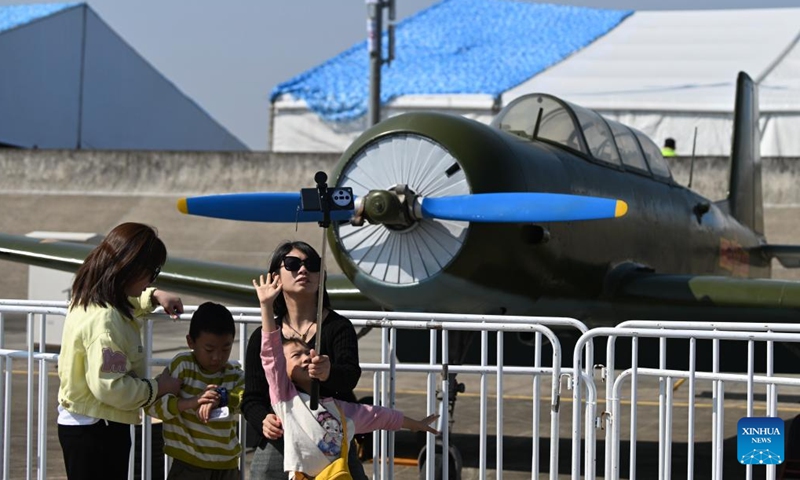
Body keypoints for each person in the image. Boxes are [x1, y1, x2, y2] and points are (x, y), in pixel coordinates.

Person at [253, 272, 439, 478]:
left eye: (308, 352)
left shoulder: (339, 409)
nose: (305, 357)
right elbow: (271, 355)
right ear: (284, 370)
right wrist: (266, 306)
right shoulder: (285, 399)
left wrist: (415, 425)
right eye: (296, 355)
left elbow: (378, 416)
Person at [57, 222, 184, 480]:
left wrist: (154, 296)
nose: (151, 279)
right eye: (152, 272)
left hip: (87, 424)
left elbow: (123, 305)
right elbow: (110, 387)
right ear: (131, 268)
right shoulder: (106, 322)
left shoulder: (89, 299)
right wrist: (159, 386)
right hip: (98, 430)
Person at [241, 241, 366, 480]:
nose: (303, 270)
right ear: (275, 276)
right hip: (281, 440)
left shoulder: (338, 327)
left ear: (322, 276)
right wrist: (263, 419)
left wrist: (329, 372)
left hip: (330, 439)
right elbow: (252, 397)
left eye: (312, 264)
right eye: (292, 264)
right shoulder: (263, 336)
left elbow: (350, 378)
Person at [146, 301, 245, 479]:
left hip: (227, 466)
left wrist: (220, 398)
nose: (217, 357)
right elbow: (153, 406)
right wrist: (192, 402)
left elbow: (246, 399)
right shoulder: (183, 366)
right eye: (209, 349)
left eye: (226, 348)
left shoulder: (234, 374)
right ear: (190, 341)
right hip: (188, 465)